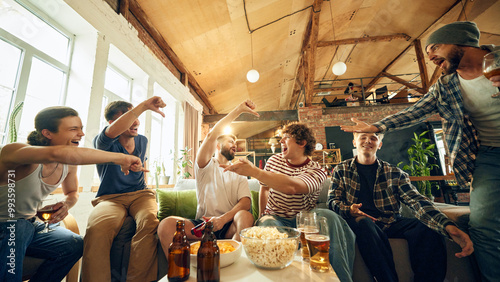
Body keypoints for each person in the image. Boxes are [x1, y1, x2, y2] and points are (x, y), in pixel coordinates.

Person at [340, 21, 499, 281]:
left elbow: (415, 201)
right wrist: (377, 125)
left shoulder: (499, 59)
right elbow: (415, 111)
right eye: (426, 52)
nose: (431, 56)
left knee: (434, 230)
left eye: (435, 47)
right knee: (482, 226)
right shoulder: (447, 86)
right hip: (488, 157)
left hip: (396, 221)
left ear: (461, 42)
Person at [0, 106, 144, 282]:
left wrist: (66, 204)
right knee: (19, 228)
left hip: (30, 225)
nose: (81, 134)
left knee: (74, 244)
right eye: (73, 129)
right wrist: (121, 158)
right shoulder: (15, 151)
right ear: (47, 133)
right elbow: (55, 153)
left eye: (81, 128)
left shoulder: (69, 165)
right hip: (6, 226)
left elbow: (73, 192)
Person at [329, 132, 473, 282]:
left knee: (427, 227)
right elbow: (333, 202)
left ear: (380, 144)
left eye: (373, 138)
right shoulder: (341, 170)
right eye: (363, 137)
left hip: (390, 221)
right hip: (359, 222)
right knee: (364, 223)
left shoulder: (395, 173)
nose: (368, 141)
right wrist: (350, 211)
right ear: (354, 142)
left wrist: (447, 225)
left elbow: (417, 201)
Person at [221, 123, 356, 282]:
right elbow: (264, 189)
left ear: (301, 142)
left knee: (328, 215)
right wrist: (263, 215)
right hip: (276, 217)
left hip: (305, 220)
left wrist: (253, 171)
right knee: (267, 225)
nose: (280, 142)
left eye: (286, 138)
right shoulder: (273, 161)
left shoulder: (317, 170)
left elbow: (293, 187)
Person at [81, 97, 166, 282]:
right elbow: (110, 134)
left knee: (149, 222)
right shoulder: (104, 142)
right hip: (110, 198)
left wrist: (137, 168)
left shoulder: (142, 140)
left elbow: (140, 165)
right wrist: (144, 106)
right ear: (113, 122)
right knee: (97, 230)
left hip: (140, 194)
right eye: (129, 115)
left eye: (136, 116)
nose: (136, 121)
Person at [157, 100, 257, 252]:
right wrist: (238, 110)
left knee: (245, 216)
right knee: (166, 225)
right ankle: (179, 272)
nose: (234, 145)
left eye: (235, 142)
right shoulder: (204, 165)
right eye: (230, 141)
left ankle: (234, 260)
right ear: (217, 146)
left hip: (228, 225)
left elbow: (245, 203)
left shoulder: (240, 172)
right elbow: (211, 135)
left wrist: (223, 219)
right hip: (203, 226)